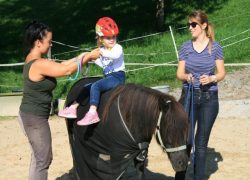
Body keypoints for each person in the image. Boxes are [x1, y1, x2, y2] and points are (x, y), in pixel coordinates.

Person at [18, 21, 100, 180]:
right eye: (49, 42)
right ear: (38, 42)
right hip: (34, 119)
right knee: (43, 160)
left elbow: (63, 64)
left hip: (30, 116)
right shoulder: (38, 63)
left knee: (38, 158)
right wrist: (88, 56)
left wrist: (83, 56)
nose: (50, 45)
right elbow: (66, 70)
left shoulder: (34, 59)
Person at [176, 10, 226, 180]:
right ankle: (180, 177)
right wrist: (186, 76)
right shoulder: (185, 47)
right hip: (188, 96)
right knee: (186, 141)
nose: (190, 28)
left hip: (209, 99)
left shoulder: (216, 47)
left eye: (193, 24)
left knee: (201, 144)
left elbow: (221, 73)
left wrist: (212, 78)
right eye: (189, 24)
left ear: (203, 25)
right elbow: (179, 73)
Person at [58, 17, 126, 126]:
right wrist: (86, 57)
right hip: (108, 77)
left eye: (114, 36)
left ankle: (92, 113)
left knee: (96, 86)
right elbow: (95, 60)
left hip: (117, 77)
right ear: (100, 39)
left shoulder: (118, 48)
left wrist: (98, 53)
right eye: (108, 37)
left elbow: (115, 55)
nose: (112, 39)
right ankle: (73, 108)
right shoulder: (102, 50)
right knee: (86, 87)